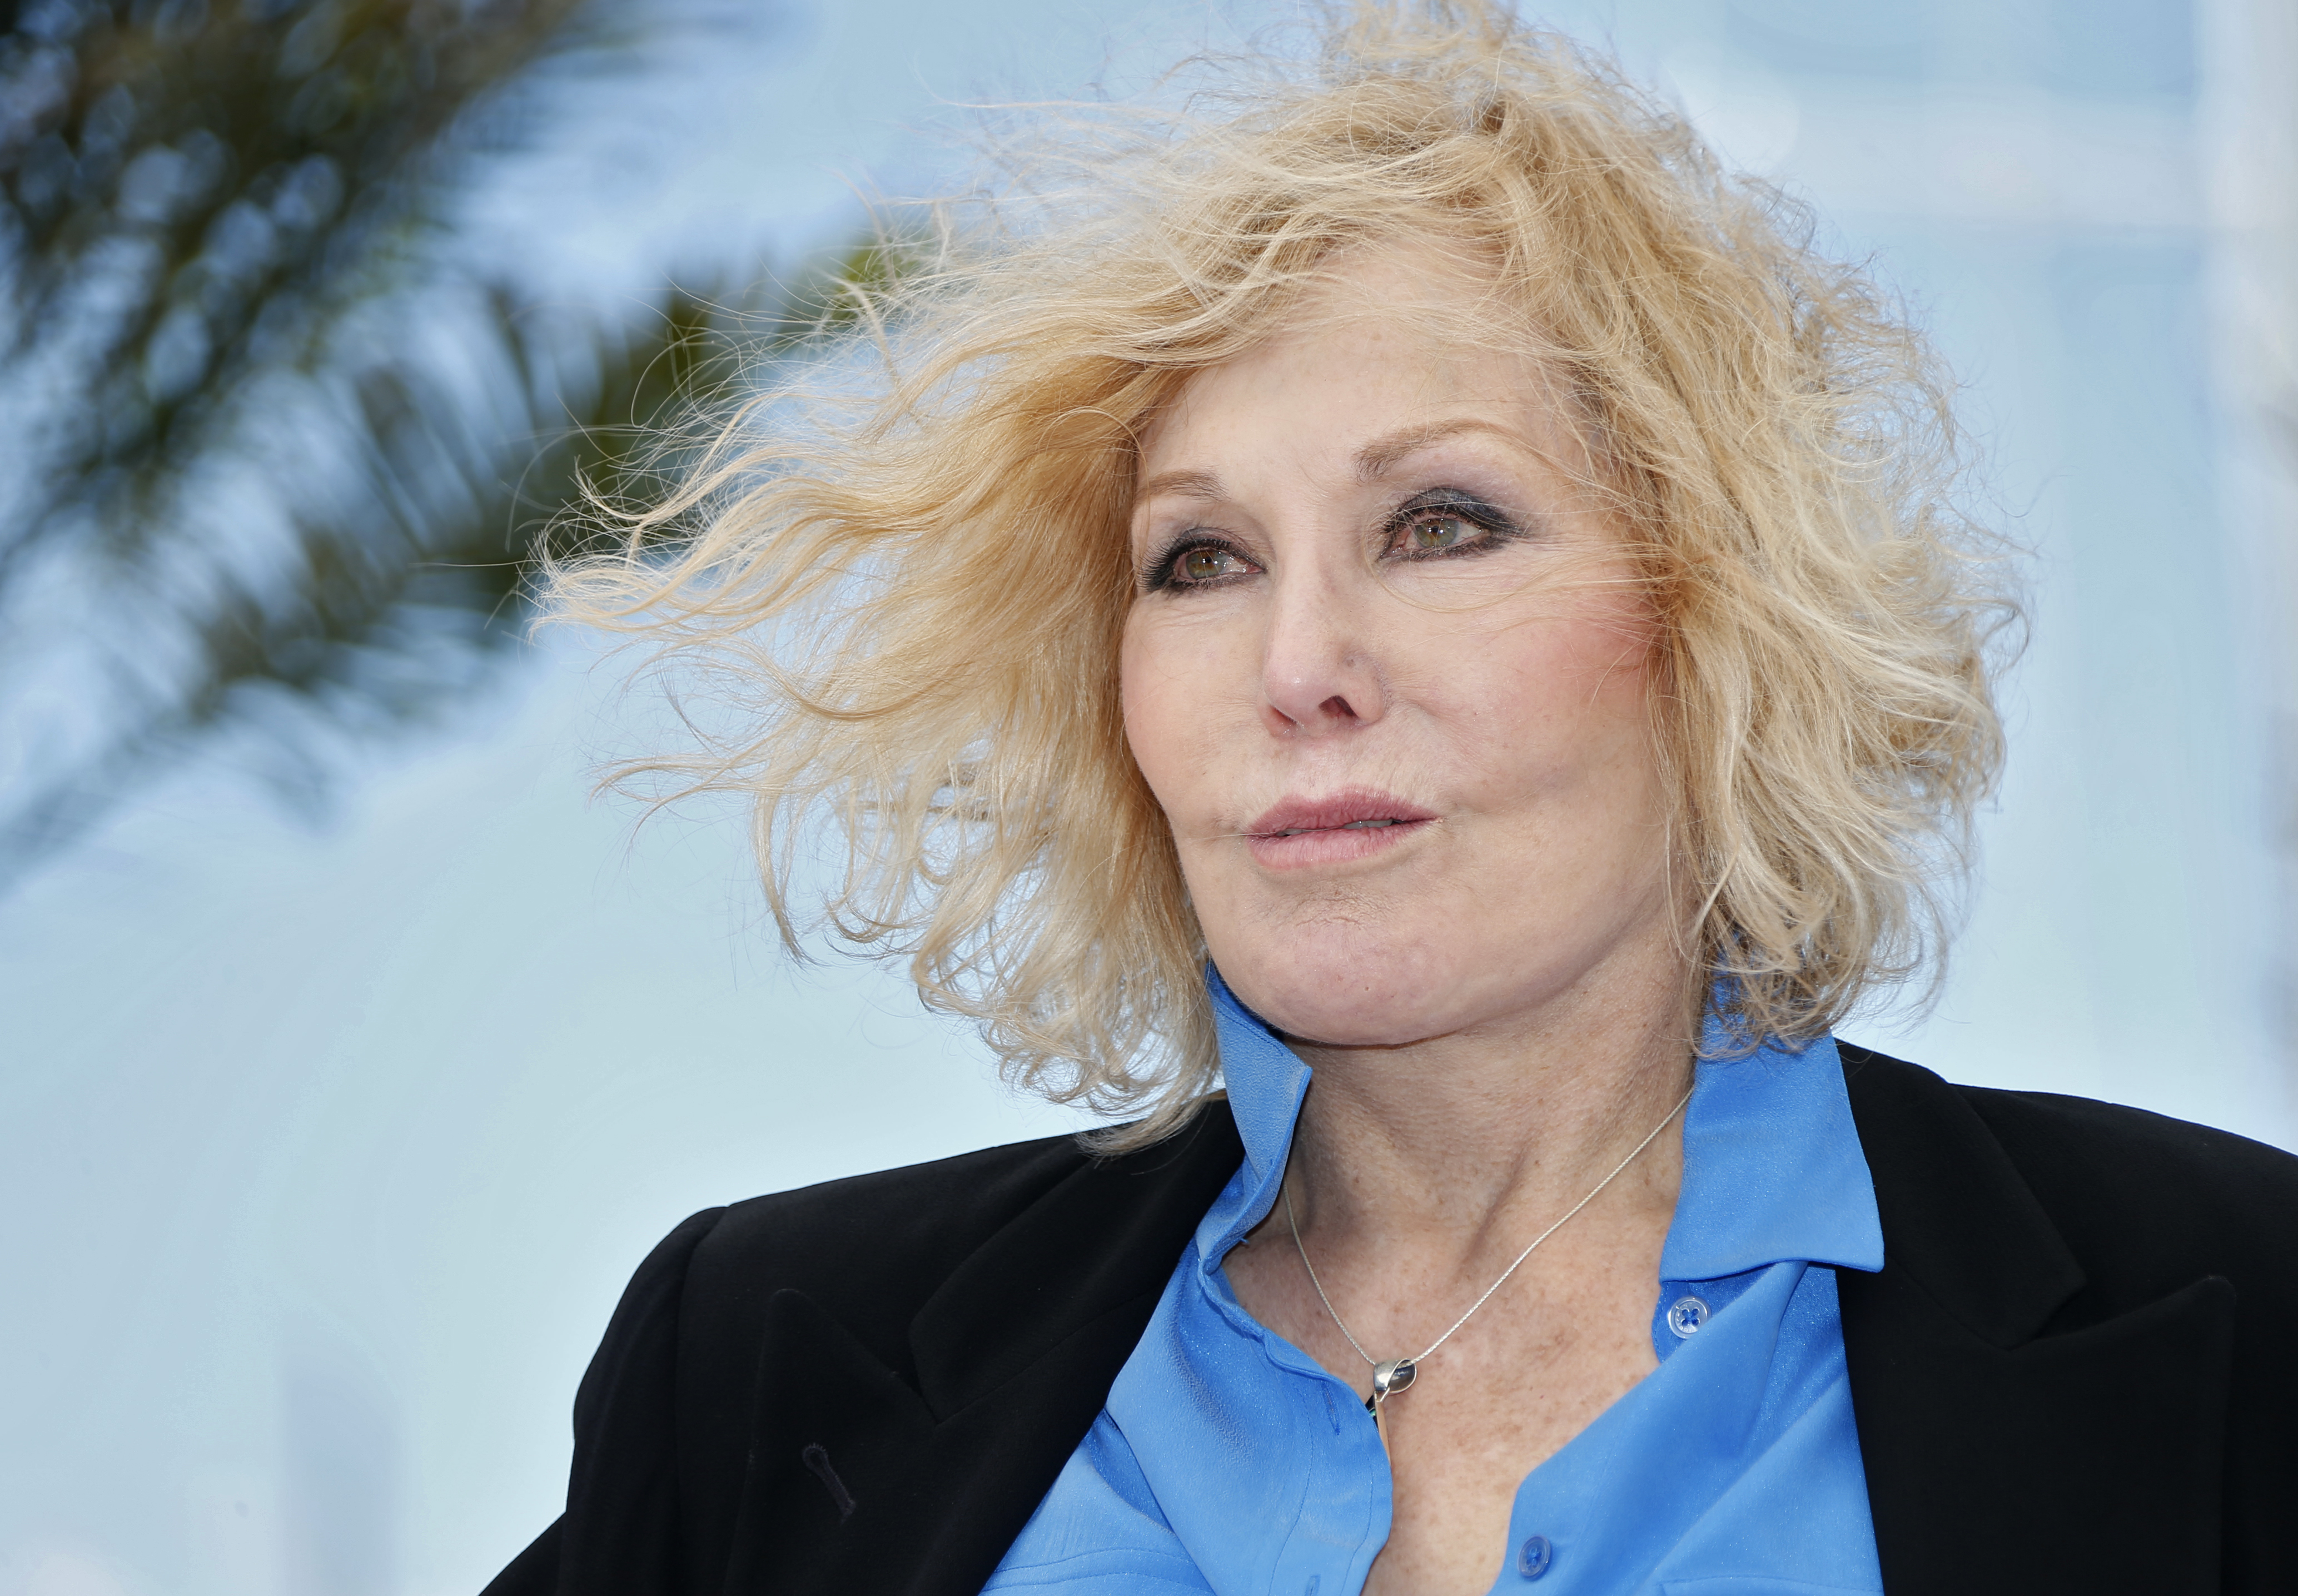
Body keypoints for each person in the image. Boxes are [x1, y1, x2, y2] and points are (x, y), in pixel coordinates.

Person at [484, 6, 2298, 1594]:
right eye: (1196, 559)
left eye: (1442, 524)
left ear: (1717, 615)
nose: (1300, 662)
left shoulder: (2239, 1328)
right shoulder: (764, 1365)